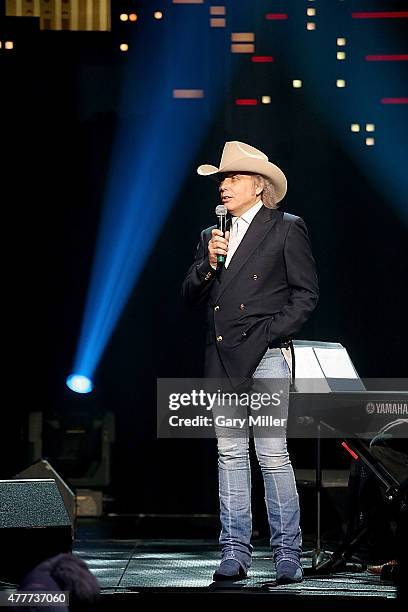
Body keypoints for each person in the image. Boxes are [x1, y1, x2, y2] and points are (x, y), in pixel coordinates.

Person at [182, 141, 319, 583]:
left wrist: (268, 334)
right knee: (229, 454)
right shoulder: (210, 235)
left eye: (233, 177)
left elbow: (305, 294)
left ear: (258, 186)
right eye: (222, 178)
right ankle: (235, 551)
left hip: (264, 356)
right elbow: (189, 294)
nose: (224, 185)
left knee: (273, 454)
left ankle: (287, 553)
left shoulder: (285, 227)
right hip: (222, 356)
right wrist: (208, 263)